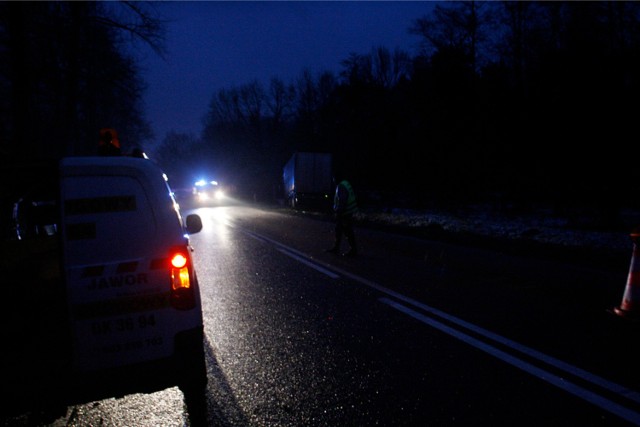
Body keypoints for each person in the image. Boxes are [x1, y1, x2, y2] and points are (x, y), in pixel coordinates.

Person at [326, 178, 358, 257]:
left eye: (334, 178)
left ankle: (353, 250)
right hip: (347, 212)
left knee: (347, 231)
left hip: (344, 213)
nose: (333, 180)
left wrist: (338, 212)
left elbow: (342, 201)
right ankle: (337, 248)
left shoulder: (341, 186)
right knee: (339, 229)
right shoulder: (345, 183)